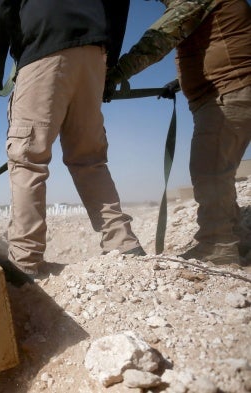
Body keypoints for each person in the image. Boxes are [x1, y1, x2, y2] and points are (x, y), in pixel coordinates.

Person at [0, 0, 145, 284]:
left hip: (44, 49)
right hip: (94, 52)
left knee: (27, 158)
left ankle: (24, 260)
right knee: (89, 158)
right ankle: (123, 243)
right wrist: (106, 62)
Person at [106, 0, 251, 265]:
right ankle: (236, 237)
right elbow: (217, 41)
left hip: (228, 90)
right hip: (229, 91)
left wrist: (113, 76)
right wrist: (178, 83)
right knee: (220, 172)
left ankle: (217, 245)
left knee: (209, 171)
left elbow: (159, 39)